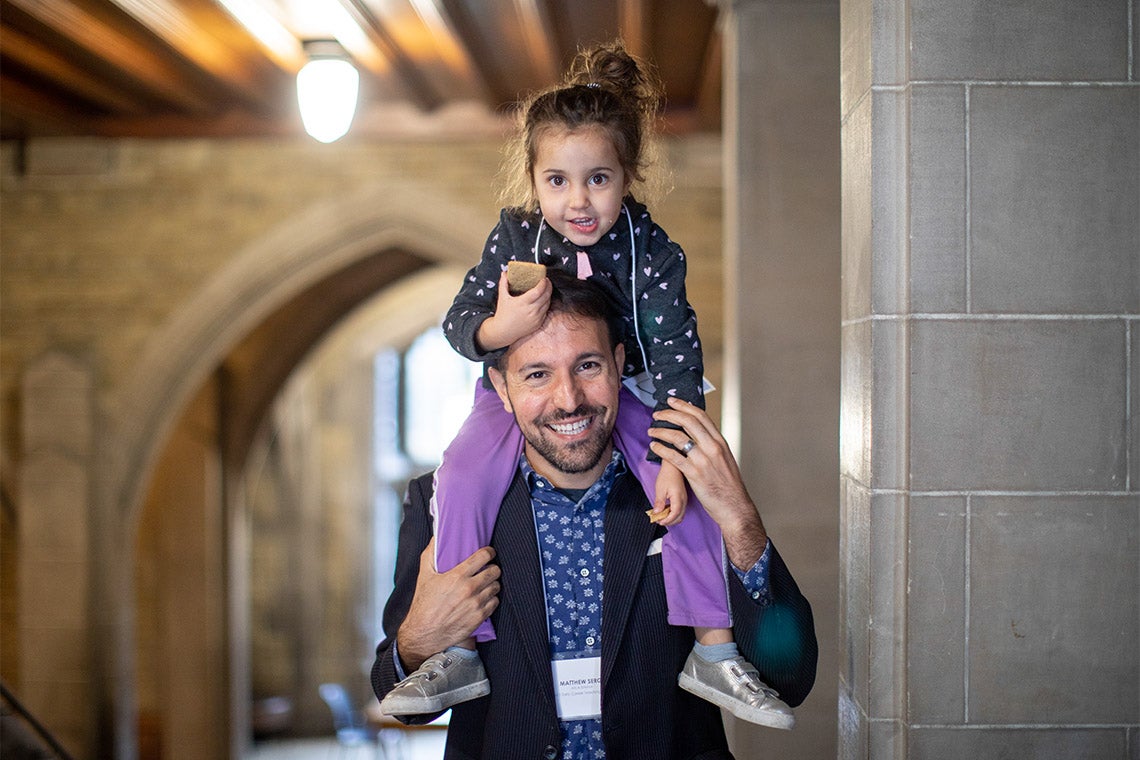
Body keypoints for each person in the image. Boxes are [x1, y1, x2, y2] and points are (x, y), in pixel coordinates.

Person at [380, 39, 788, 729]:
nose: (578, 200)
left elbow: (676, 351)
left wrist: (678, 451)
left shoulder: (650, 247)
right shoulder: (514, 235)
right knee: (461, 473)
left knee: (681, 488)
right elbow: (459, 323)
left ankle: (714, 647)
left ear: (627, 176)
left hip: (635, 394)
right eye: (558, 181)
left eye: (598, 178)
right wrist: (498, 326)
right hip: (495, 403)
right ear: (534, 182)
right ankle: (458, 651)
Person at [371, 272, 817, 759]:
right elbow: (401, 701)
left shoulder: (688, 491)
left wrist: (738, 518)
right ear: (500, 387)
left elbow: (788, 677)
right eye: (537, 374)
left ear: (619, 363)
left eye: (587, 366)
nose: (569, 399)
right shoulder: (443, 503)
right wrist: (418, 637)